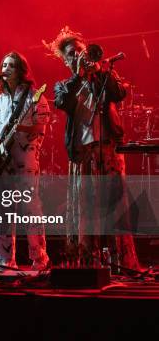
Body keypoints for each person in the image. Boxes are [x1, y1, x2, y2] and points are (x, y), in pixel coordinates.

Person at [47, 26, 139, 270]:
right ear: (65, 60)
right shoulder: (63, 85)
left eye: (79, 49)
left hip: (108, 148)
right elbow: (62, 103)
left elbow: (119, 93)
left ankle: (122, 264)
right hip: (82, 152)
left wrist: (100, 72)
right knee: (85, 207)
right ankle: (88, 264)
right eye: (70, 53)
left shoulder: (104, 73)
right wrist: (78, 77)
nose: (77, 54)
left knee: (116, 205)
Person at [0, 51, 51, 272]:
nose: (5, 69)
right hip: (3, 159)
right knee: (3, 207)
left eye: (10, 65)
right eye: (3, 64)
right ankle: (6, 259)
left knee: (30, 206)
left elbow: (41, 126)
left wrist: (21, 128)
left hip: (26, 157)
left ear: (21, 70)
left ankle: (39, 257)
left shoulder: (35, 96)